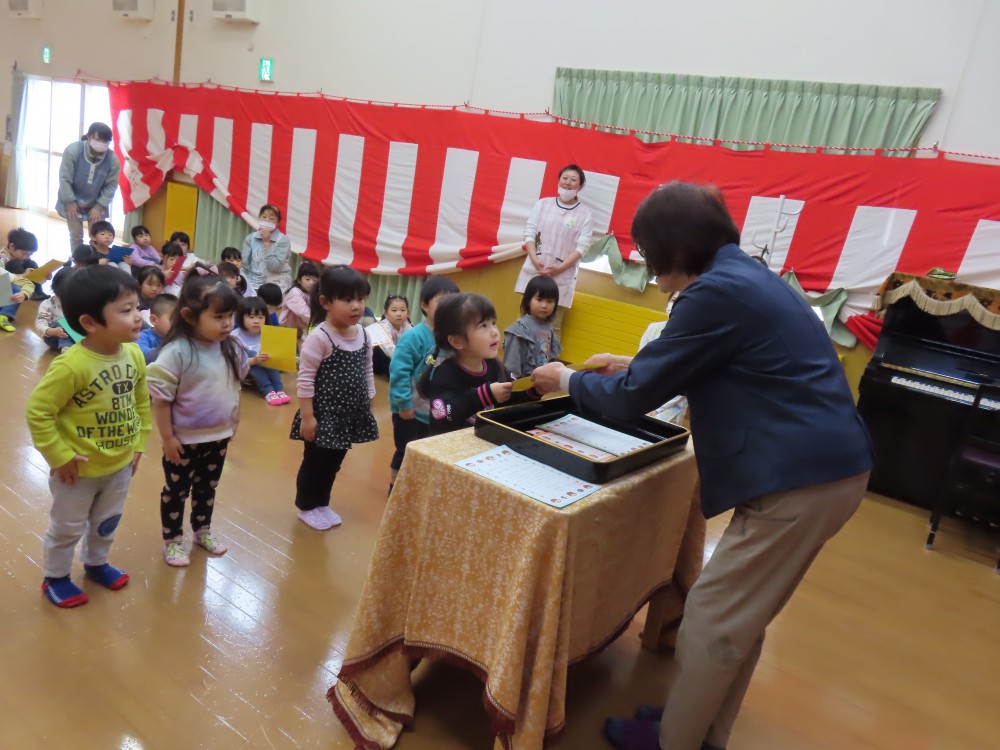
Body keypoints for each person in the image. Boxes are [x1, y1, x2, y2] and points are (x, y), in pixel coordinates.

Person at [530, 182, 873, 750]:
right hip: (826, 469)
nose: (651, 271)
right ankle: (697, 731)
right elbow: (716, 362)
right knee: (740, 619)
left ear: (676, 249)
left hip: (801, 479)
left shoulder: (712, 293)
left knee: (712, 620)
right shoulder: (744, 276)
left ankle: (677, 741)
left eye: (649, 254)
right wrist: (633, 365)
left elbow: (631, 401)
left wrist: (566, 379)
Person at [25, 265, 150, 608]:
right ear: (90, 322)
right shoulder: (71, 365)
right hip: (76, 471)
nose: (138, 316)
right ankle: (55, 577)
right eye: (126, 310)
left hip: (119, 465)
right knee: (67, 527)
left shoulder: (134, 355)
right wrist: (59, 455)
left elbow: (141, 402)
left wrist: (138, 445)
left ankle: (96, 563)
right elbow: (38, 412)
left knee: (107, 522)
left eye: (137, 307)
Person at [147, 264, 249, 567]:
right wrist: (167, 438)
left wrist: (234, 421)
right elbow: (161, 401)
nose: (227, 324)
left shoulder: (231, 348)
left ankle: (202, 530)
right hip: (183, 441)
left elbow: (235, 386)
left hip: (218, 437)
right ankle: (173, 540)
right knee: (176, 491)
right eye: (218, 317)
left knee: (208, 488)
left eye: (230, 316)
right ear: (190, 317)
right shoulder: (177, 352)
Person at [289, 265, 378, 530]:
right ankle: (307, 506)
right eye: (347, 299)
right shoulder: (320, 337)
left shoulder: (363, 333)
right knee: (315, 462)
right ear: (326, 302)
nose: (356, 306)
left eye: (360, 299)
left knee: (334, 464)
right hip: (324, 416)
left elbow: (367, 369)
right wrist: (308, 417)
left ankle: (322, 503)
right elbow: (305, 380)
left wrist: (369, 402)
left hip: (348, 416)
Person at [420, 293, 538, 435]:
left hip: (483, 441)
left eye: (493, 323)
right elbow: (444, 414)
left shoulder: (495, 367)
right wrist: (484, 395)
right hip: (452, 446)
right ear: (457, 341)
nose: (494, 332)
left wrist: (533, 390)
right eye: (483, 325)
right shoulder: (446, 374)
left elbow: (510, 397)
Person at [387, 277, 459, 494]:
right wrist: (404, 404)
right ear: (424, 305)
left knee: (428, 452)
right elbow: (399, 372)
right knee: (405, 450)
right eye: (442, 301)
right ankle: (395, 488)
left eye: (453, 302)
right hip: (409, 411)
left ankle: (417, 490)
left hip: (436, 411)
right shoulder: (414, 337)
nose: (448, 307)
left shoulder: (454, 338)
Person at [513, 164, 594, 333]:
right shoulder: (543, 204)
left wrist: (560, 268)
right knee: (524, 321)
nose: (568, 183)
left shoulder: (585, 213)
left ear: (580, 186)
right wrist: (534, 259)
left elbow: (583, 246)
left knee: (552, 328)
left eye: (573, 180)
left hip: (562, 277)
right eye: (565, 178)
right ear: (558, 180)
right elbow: (529, 232)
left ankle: (548, 353)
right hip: (535, 270)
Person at [55, 122, 121, 253]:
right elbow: (64, 179)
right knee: (76, 236)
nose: (101, 144)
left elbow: (111, 185)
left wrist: (99, 206)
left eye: (105, 141)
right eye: (98, 139)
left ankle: (96, 261)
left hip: (96, 203)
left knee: (98, 237)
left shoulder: (112, 159)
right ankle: (78, 261)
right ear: (89, 137)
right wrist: (70, 201)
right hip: (72, 200)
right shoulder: (73, 151)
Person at [232, 296, 289, 405]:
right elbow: (235, 364)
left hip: (265, 369)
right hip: (244, 372)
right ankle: (268, 391)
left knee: (269, 354)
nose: (256, 321)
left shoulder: (268, 333)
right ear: (241, 317)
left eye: (260, 317)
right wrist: (254, 360)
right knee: (251, 354)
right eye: (251, 317)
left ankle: (279, 390)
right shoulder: (235, 336)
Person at [503, 275, 561, 378]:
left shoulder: (548, 329)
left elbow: (550, 358)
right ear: (528, 300)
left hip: (540, 380)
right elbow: (511, 362)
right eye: (539, 299)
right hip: (522, 381)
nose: (544, 305)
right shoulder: (521, 328)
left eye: (549, 301)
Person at [242, 204, 292, 290]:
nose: (267, 220)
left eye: (271, 218)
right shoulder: (251, 238)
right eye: (264, 217)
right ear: (259, 218)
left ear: (278, 222)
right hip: (254, 281)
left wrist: (267, 243)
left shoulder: (283, 240)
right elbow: (245, 264)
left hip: (276, 282)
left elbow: (274, 266)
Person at [0, 228, 39, 332]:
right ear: (12, 246)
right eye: (24, 253)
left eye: (29, 255)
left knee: (31, 264)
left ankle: (4, 316)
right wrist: (23, 275)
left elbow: (26, 283)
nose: (26, 257)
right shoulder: (2, 258)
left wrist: (43, 276)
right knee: (16, 286)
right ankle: (4, 315)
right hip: (3, 286)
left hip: (12, 285)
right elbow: (3, 280)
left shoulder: (23, 259)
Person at [35, 266, 78, 351]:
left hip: (75, 336)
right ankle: (66, 348)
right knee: (61, 323)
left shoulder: (79, 302)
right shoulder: (48, 304)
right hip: (55, 336)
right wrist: (52, 331)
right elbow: (40, 324)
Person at [371, 294, 412, 376]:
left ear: (408, 313)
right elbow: (389, 350)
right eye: (394, 310)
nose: (399, 314)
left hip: (395, 358)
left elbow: (414, 342)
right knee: (380, 349)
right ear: (386, 313)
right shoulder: (382, 326)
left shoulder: (407, 326)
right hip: (374, 361)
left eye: (403, 310)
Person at [280, 260, 320, 338]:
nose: (311, 283)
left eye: (315, 280)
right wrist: (318, 324)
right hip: (286, 331)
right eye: (307, 279)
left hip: (299, 332)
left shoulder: (313, 294)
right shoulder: (295, 292)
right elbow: (303, 312)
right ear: (299, 280)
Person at [136, 293, 177, 364]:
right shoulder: (143, 337)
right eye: (172, 319)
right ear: (153, 320)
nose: (177, 324)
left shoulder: (180, 337)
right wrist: (172, 350)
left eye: (180, 320)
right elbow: (141, 355)